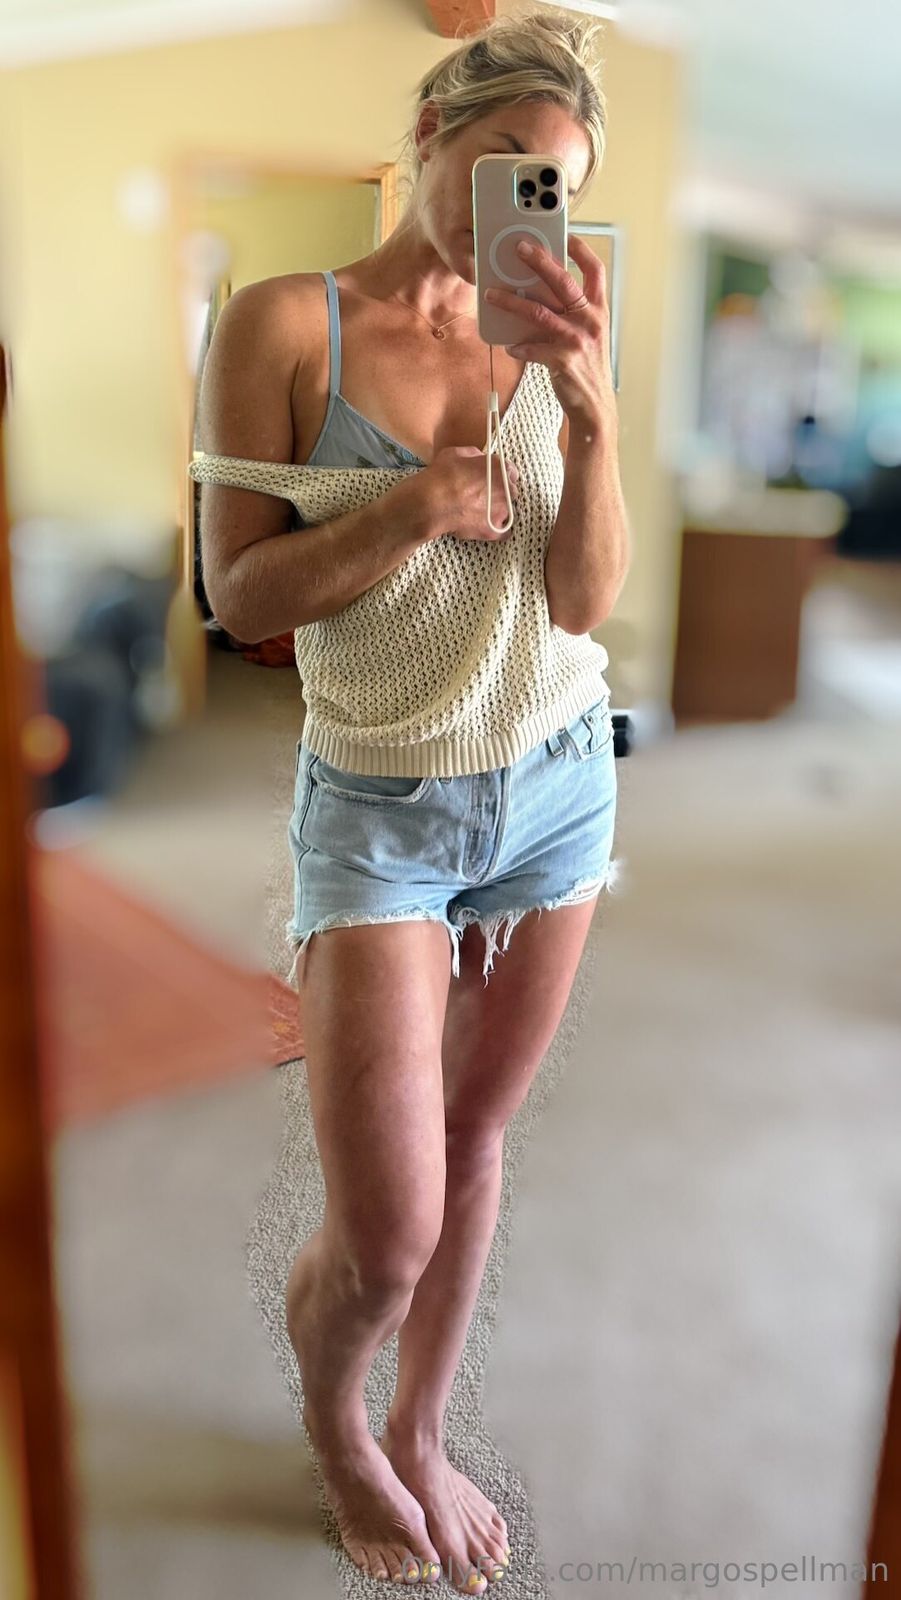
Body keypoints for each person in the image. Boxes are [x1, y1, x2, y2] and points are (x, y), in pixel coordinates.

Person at [195, 8, 629, 1591]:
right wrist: (412, 508)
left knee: (475, 1133)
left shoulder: (560, 329)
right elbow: (238, 597)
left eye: (553, 184)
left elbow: (579, 602)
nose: (525, 206)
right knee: (386, 1231)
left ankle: (422, 1429)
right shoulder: (279, 324)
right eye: (504, 164)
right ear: (432, 135)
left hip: (555, 789)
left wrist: (588, 412)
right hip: (378, 809)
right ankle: (341, 1428)